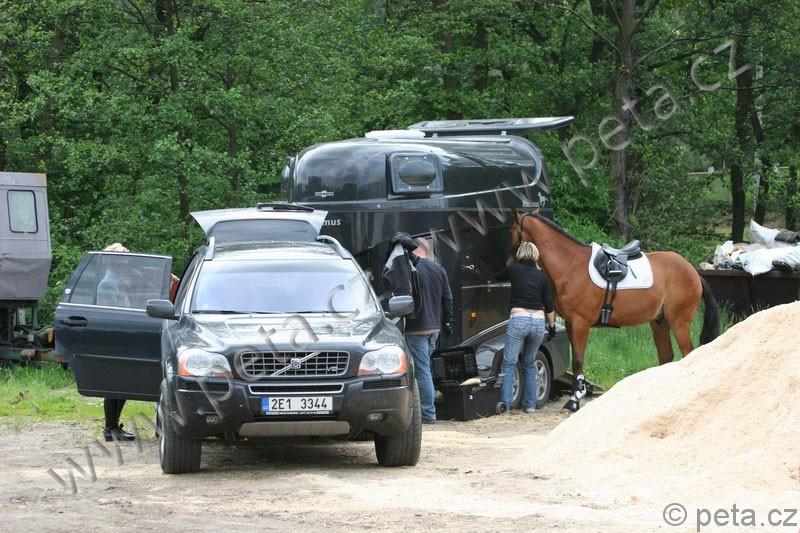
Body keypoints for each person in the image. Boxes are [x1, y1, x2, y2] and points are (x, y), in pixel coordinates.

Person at [495, 241, 556, 413]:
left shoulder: (513, 269)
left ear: (520, 254)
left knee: (509, 363)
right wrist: (551, 326)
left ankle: (506, 405)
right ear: (536, 255)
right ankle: (530, 405)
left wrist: (508, 261)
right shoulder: (542, 276)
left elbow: (497, 277)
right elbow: (549, 305)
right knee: (529, 362)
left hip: (519, 319)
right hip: (538, 322)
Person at [404, 237, 453, 424]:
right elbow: (447, 299)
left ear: (413, 250)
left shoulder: (411, 269)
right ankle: (426, 410)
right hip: (434, 328)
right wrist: (447, 322)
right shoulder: (439, 269)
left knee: (422, 371)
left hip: (417, 328)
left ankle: (427, 413)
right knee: (425, 368)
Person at [97, 243, 135, 441]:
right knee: (115, 385)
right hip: (114, 339)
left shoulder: (118, 282)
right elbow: (113, 312)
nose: (126, 262)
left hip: (123, 337)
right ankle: (110, 428)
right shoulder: (107, 284)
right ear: (113, 261)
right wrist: (123, 289)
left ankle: (113, 426)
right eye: (123, 258)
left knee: (123, 384)